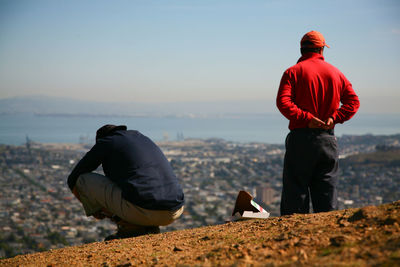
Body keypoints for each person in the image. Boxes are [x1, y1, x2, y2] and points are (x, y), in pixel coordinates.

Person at [276, 31, 360, 216]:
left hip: (300, 140)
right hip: (327, 140)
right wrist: (334, 118)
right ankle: (327, 240)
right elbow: (353, 102)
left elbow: (283, 103)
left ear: (301, 49)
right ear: (322, 49)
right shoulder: (336, 73)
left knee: (295, 196)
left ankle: (293, 241)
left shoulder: (292, 72)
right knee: (326, 196)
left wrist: (306, 118)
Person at [67, 124, 185, 240]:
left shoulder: (106, 142)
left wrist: (94, 209)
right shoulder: (140, 137)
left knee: (83, 180)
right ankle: (146, 226)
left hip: (145, 212)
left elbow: (73, 178)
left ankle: (130, 227)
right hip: (175, 210)